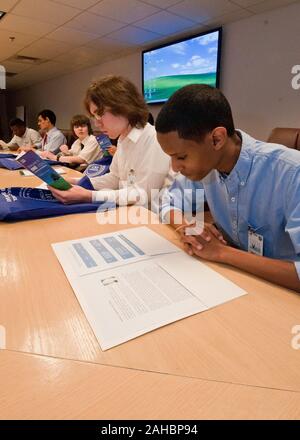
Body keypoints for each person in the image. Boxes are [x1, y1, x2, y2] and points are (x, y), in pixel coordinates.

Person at [155, 84, 300, 292]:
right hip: (237, 280)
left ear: (217, 139)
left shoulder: (292, 173)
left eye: (181, 157)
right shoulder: (206, 165)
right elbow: (168, 202)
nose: (175, 168)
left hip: (285, 295)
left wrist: (221, 253)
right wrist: (187, 226)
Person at [49, 75, 170, 206]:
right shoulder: (123, 138)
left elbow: (142, 194)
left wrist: (90, 196)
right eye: (94, 116)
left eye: (100, 114)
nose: (96, 123)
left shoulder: (154, 140)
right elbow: (115, 178)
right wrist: (78, 181)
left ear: (124, 106)